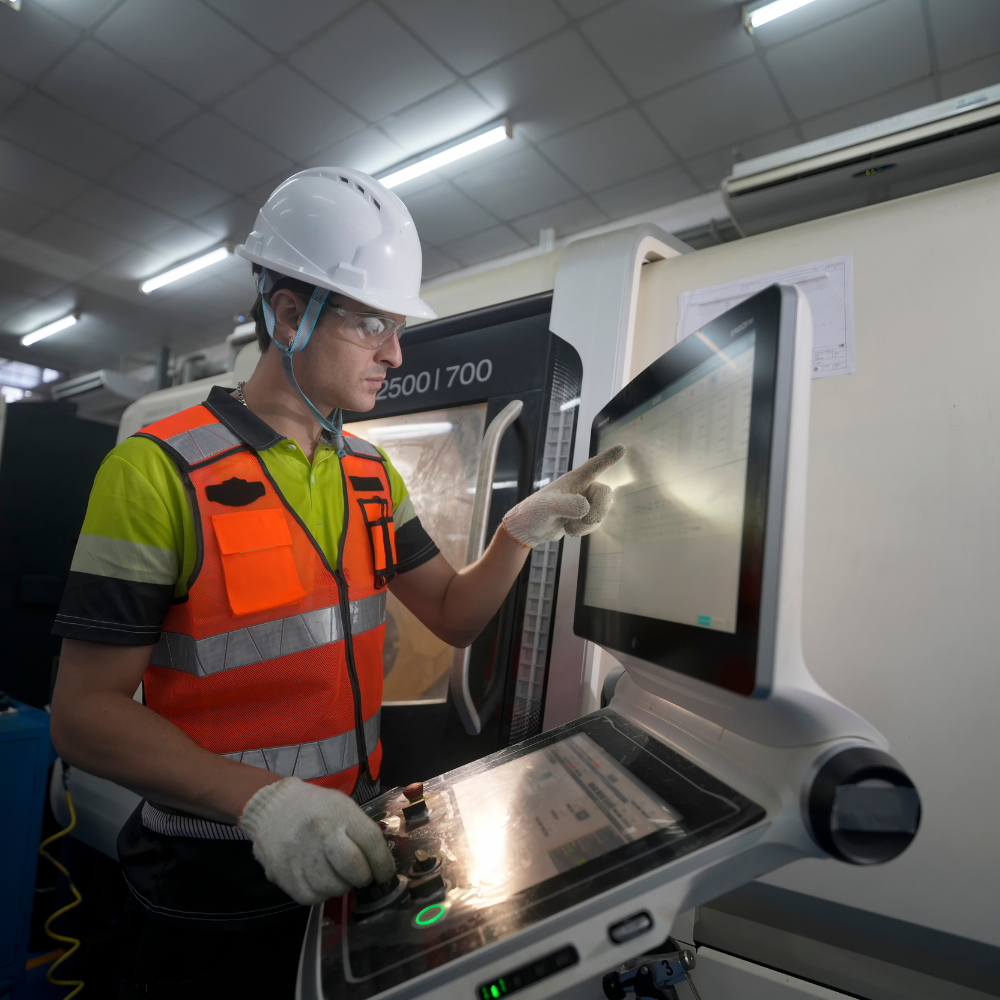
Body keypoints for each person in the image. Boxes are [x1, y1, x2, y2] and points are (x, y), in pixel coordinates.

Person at [49, 167, 623, 999]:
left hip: (347, 844)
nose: (396, 352)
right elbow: (83, 716)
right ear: (288, 314)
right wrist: (262, 804)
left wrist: (513, 535)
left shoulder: (369, 474)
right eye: (373, 326)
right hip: (211, 877)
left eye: (397, 328)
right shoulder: (156, 471)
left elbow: (456, 617)